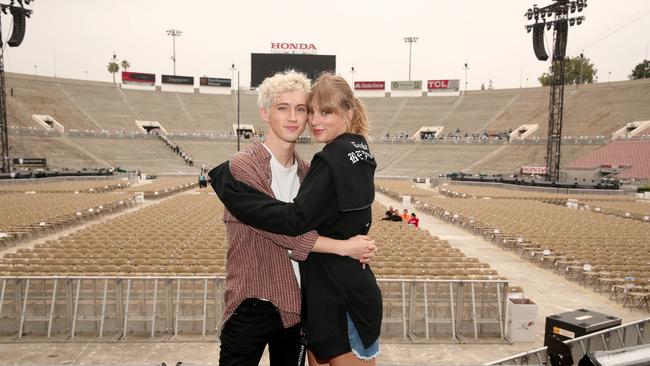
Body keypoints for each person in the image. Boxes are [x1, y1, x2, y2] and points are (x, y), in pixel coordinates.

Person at [212, 73, 382, 365]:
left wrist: (353, 240)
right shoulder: (243, 166)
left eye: (301, 108)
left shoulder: (309, 171)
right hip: (250, 301)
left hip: (295, 305)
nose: (294, 117)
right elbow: (282, 231)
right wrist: (343, 247)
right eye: (282, 107)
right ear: (265, 113)